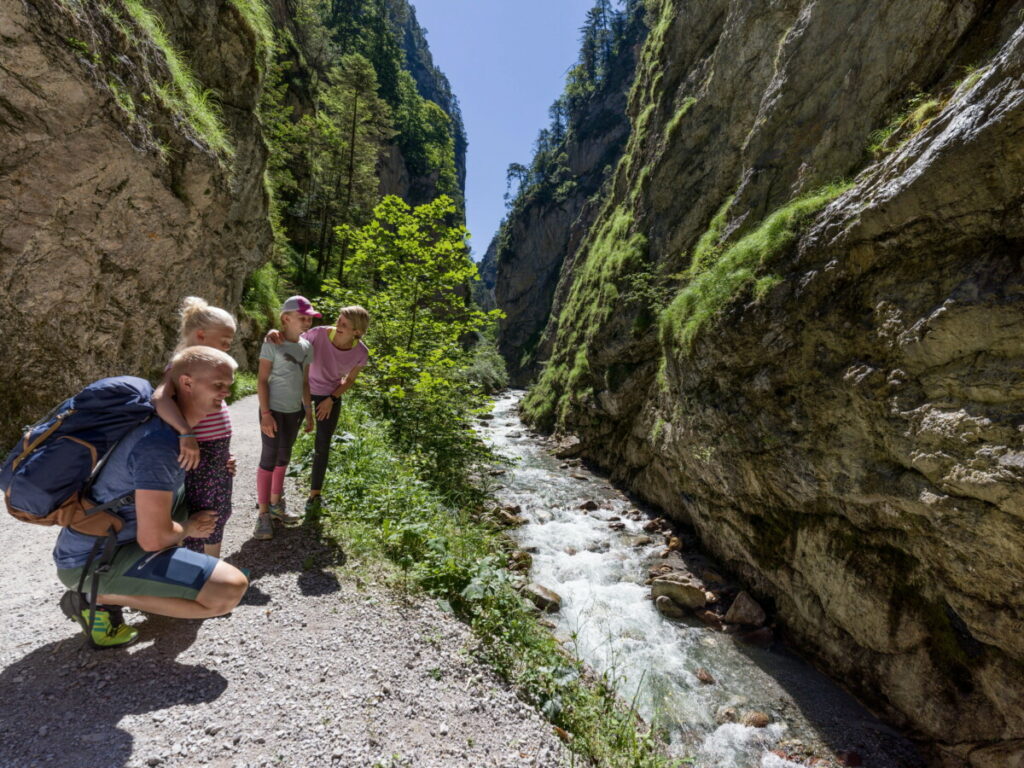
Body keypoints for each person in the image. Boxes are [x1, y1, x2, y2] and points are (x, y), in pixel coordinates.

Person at [54, 346, 249, 648]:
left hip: (117, 543)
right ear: (186, 383)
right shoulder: (159, 446)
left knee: (206, 504)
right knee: (228, 591)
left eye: (229, 385)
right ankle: (94, 595)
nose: (226, 392)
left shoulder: (174, 431)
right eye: (218, 385)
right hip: (90, 561)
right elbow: (154, 539)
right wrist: (190, 527)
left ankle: (140, 588)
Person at [152, 297, 238, 558]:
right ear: (201, 335)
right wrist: (186, 433)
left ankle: (211, 566)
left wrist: (224, 454)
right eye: (224, 342)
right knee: (203, 516)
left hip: (215, 454)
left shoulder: (206, 367)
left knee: (220, 511)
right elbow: (160, 399)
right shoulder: (181, 365)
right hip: (199, 455)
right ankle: (200, 571)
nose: (226, 348)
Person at [267, 306, 369, 515]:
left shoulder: (361, 352)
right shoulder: (319, 333)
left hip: (329, 395)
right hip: (300, 388)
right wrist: (276, 334)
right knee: (287, 439)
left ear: (357, 332)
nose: (338, 326)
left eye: (344, 325)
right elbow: (294, 341)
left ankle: (314, 496)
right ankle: (274, 492)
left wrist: (331, 399)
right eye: (339, 321)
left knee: (323, 445)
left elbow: (350, 380)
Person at [254, 295, 316, 539]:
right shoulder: (272, 344)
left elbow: (304, 382)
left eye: (309, 318)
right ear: (286, 318)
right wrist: (266, 414)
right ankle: (262, 515)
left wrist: (308, 412)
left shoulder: (307, 347)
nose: (307, 322)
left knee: (284, 458)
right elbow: (261, 381)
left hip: (294, 412)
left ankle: (276, 504)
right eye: (302, 318)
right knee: (269, 458)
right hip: (273, 411)